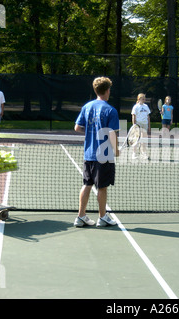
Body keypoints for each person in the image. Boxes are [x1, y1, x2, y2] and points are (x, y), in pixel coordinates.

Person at [74, 77, 120, 227]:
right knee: (102, 187)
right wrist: (116, 150)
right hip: (104, 155)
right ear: (107, 91)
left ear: (95, 90)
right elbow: (112, 134)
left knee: (87, 184)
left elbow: (77, 127)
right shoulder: (111, 110)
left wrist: (90, 133)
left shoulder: (87, 107)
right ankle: (102, 217)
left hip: (89, 153)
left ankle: (81, 216)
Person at [131, 93, 151, 159]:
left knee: (144, 139)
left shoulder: (146, 106)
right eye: (143, 99)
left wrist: (149, 126)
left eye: (144, 98)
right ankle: (134, 154)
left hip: (145, 124)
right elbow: (133, 116)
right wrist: (134, 125)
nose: (144, 100)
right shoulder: (136, 106)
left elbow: (148, 117)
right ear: (139, 99)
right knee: (136, 139)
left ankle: (144, 153)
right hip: (138, 124)